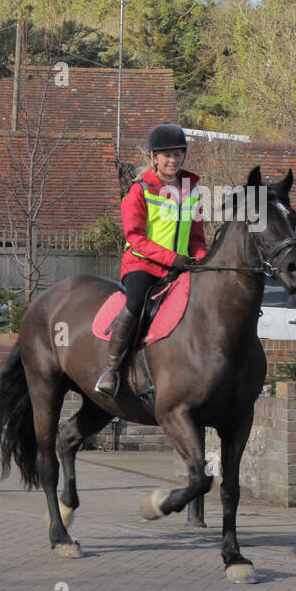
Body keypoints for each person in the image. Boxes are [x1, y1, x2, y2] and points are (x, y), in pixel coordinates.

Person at [94, 122, 208, 397]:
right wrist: (172, 259)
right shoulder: (139, 190)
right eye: (167, 154)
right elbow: (136, 238)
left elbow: (197, 236)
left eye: (178, 154)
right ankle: (112, 369)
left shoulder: (192, 190)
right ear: (154, 158)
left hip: (181, 267)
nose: (173, 159)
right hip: (143, 265)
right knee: (135, 303)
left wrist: (201, 259)